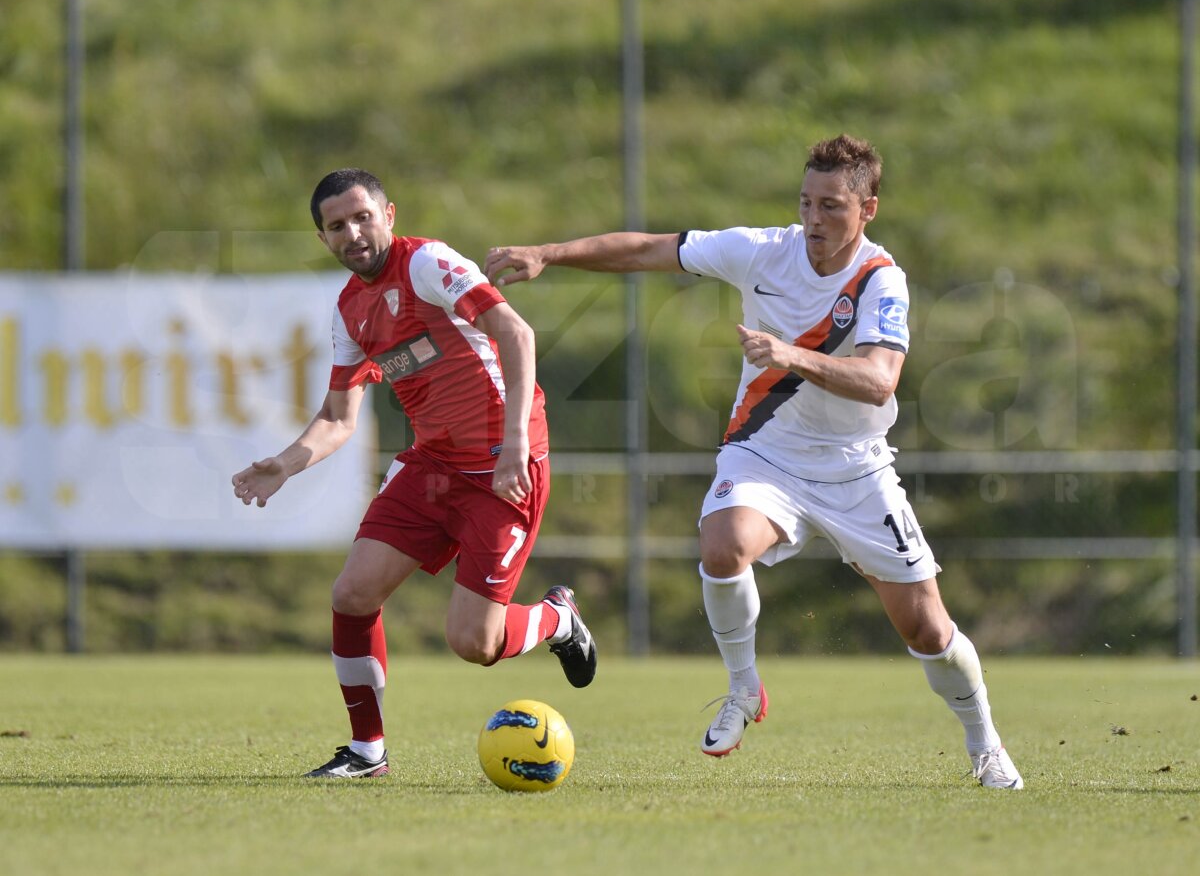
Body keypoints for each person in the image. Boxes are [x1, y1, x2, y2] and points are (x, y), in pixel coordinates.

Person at [484, 134, 1023, 789]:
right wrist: (549, 253)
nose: (814, 220)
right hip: (765, 453)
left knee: (928, 628)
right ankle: (743, 691)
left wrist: (790, 354)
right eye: (805, 203)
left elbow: (880, 380)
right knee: (722, 545)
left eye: (831, 206)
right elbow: (653, 247)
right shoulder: (763, 251)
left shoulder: (881, 280)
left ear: (868, 209)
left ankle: (985, 745)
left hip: (857, 468)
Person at [232, 168, 596, 779]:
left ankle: (558, 619)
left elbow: (516, 332)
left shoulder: (428, 264)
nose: (352, 233)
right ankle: (367, 750)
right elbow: (338, 416)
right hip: (432, 465)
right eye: (336, 226)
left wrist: (513, 446)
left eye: (361, 217)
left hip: (504, 465)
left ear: (389, 215)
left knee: (474, 644)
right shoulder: (350, 309)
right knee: (351, 594)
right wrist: (286, 465)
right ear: (323, 239)